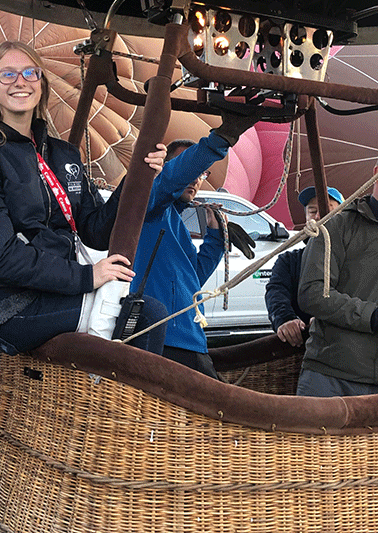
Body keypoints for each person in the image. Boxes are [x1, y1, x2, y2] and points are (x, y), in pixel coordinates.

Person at [0, 41, 167, 356]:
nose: (20, 81)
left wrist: (137, 178)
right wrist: (88, 276)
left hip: (58, 292)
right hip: (9, 306)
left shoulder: (62, 155)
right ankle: (112, 402)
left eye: (30, 72)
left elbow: (95, 230)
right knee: (145, 316)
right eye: (7, 74)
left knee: (146, 312)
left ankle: (111, 398)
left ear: (41, 84)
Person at [131, 112, 259, 378]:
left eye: (201, 173)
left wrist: (215, 237)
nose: (195, 178)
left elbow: (192, 281)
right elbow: (168, 180)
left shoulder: (177, 222)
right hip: (165, 339)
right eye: (187, 169)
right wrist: (218, 141)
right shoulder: (150, 206)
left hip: (189, 338)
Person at [296, 165, 378, 397]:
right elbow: (312, 293)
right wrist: (371, 317)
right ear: (375, 172)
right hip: (333, 376)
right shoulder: (335, 226)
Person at [266, 186, 344, 347]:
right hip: (303, 347)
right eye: (312, 211)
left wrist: (330, 318)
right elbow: (276, 291)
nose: (318, 216)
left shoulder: (355, 259)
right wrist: (285, 319)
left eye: (326, 210)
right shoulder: (288, 261)